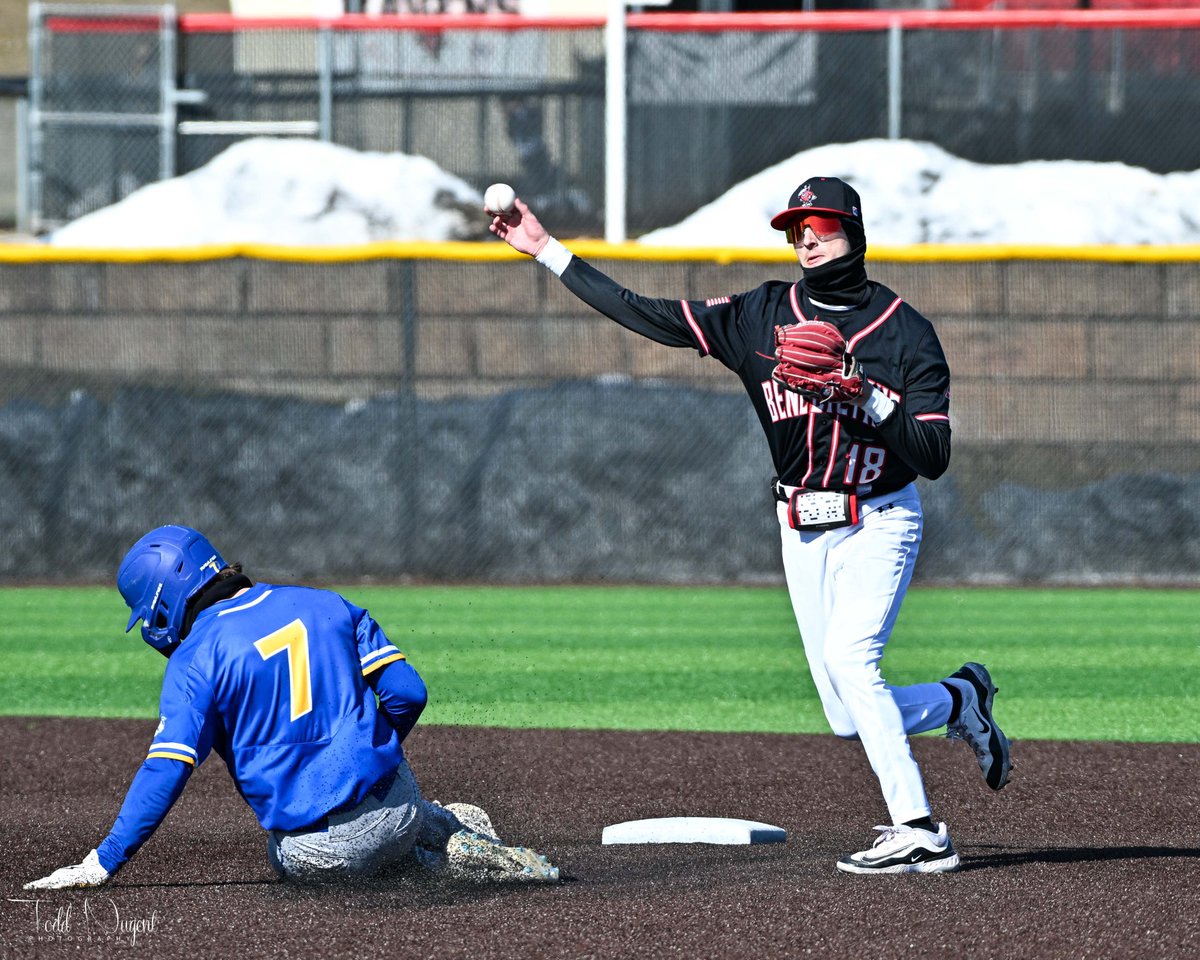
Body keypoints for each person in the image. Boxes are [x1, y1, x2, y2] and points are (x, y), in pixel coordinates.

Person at [488, 177, 1012, 874]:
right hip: (801, 525)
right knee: (846, 713)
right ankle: (960, 697)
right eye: (797, 227)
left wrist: (864, 391)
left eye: (820, 225)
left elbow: (934, 456)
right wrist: (544, 248)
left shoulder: (904, 332)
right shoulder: (761, 314)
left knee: (854, 662)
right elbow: (647, 314)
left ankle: (917, 827)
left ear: (853, 231)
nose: (806, 238)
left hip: (880, 518)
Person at [24, 524, 560, 890]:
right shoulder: (325, 600)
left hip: (323, 851)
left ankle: (434, 862)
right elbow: (408, 692)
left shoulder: (194, 659)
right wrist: (370, 748)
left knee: (288, 859)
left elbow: (167, 767)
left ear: (163, 601)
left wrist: (102, 861)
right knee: (395, 808)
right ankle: (444, 832)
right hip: (400, 799)